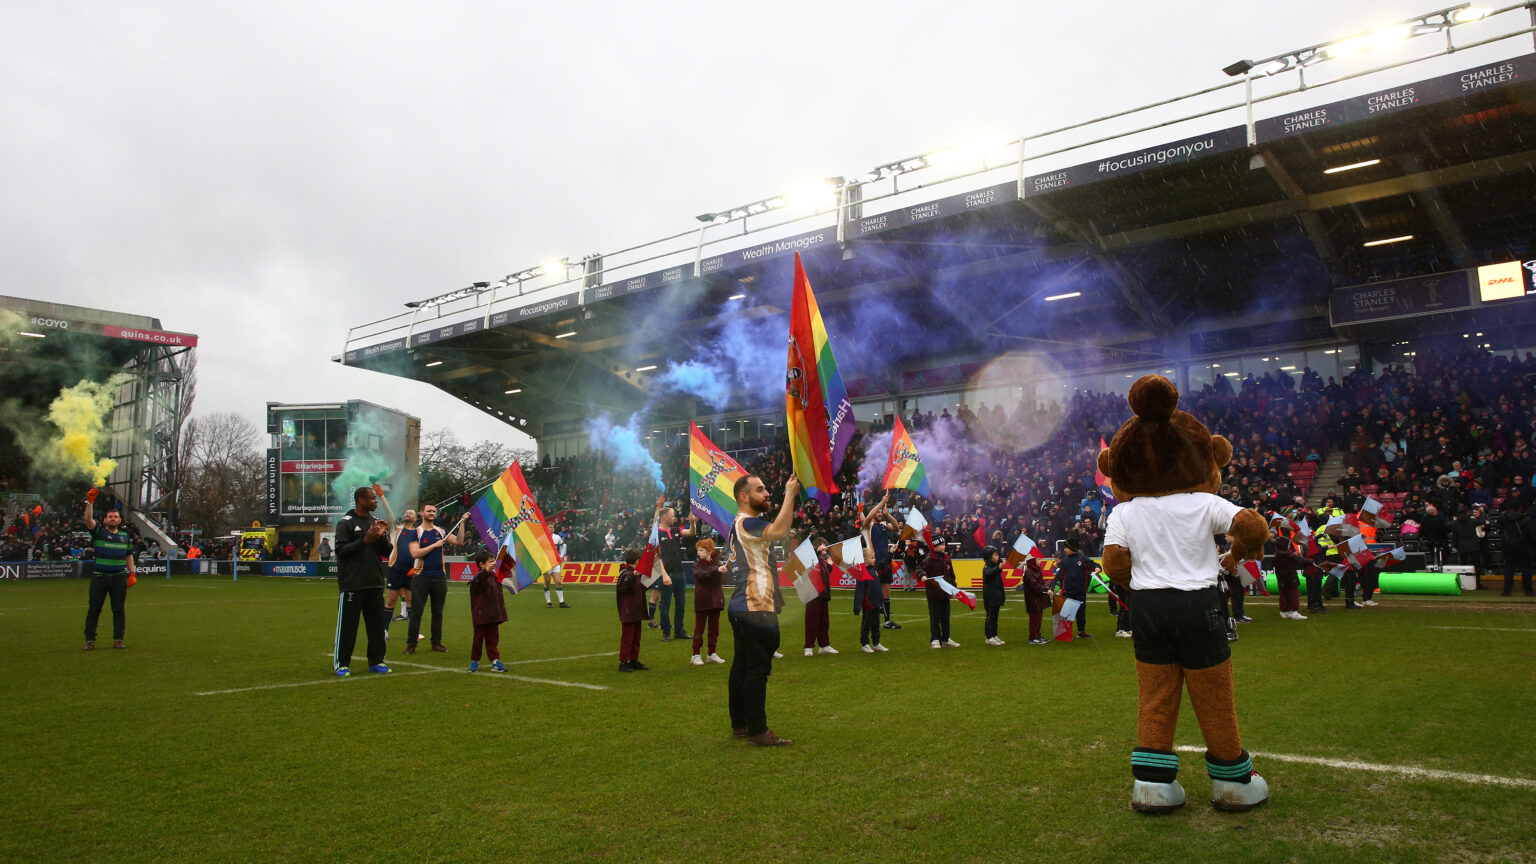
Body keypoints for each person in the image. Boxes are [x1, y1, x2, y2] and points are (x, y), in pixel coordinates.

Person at [726, 473, 799, 746]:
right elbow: (779, 531)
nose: (767, 493)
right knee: (757, 669)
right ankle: (758, 731)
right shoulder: (748, 523)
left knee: (742, 667)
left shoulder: (739, 524)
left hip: (743, 604)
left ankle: (741, 725)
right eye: (760, 490)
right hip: (754, 605)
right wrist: (790, 494)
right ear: (744, 497)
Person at [332, 486, 392, 676]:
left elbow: (387, 552)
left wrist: (382, 537)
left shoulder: (376, 522)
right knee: (348, 627)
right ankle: (342, 664)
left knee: (376, 627)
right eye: (372, 498)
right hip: (353, 583)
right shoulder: (346, 523)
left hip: (374, 582)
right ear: (360, 500)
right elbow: (341, 551)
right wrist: (364, 540)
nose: (375, 501)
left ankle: (377, 662)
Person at [405, 504, 467, 654]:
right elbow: (415, 553)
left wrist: (462, 522)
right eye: (429, 511)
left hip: (439, 577)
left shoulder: (441, 531)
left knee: (438, 612)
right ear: (421, 513)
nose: (432, 513)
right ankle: (411, 645)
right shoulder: (415, 532)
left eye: (434, 511)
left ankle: (436, 643)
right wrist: (434, 545)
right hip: (421, 576)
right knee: (416, 612)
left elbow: (459, 541)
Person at [82, 493, 135, 651]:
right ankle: (89, 640)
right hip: (100, 577)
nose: (113, 519)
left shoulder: (125, 537)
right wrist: (90, 502)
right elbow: (88, 520)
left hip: (119, 578)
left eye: (116, 516)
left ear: (119, 520)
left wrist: (132, 573)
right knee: (94, 610)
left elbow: (129, 556)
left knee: (119, 610)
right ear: (105, 520)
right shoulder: (99, 532)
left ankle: (118, 639)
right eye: (110, 517)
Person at [654, 509, 693, 639]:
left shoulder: (676, 530)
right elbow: (656, 557)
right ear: (664, 517)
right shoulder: (656, 533)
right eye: (672, 516)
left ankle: (679, 631)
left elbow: (691, 532)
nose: (674, 518)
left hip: (680, 572)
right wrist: (664, 575)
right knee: (665, 605)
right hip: (667, 573)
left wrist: (692, 523)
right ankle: (666, 631)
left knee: (681, 604)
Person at [467, 550, 508, 673]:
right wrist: (486, 571)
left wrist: (500, 612)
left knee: (493, 639)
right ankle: (475, 661)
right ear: (481, 565)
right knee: (478, 639)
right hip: (481, 615)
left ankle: (495, 661)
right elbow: (479, 584)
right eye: (490, 562)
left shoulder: (494, 577)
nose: (493, 564)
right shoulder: (478, 578)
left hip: (493, 614)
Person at [690, 538, 727, 665]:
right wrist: (716, 571)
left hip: (715, 601)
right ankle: (695, 654)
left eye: (701, 550)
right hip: (702, 601)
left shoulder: (719, 564)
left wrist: (725, 571)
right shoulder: (696, 565)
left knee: (714, 629)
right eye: (698, 550)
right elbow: (701, 576)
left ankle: (712, 653)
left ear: (710, 551)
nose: (698, 553)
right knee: (699, 629)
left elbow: (724, 581)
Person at [383, 509, 417, 634]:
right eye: (406, 512)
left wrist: (416, 567)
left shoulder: (418, 533)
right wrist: (382, 497)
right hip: (395, 570)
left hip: (411, 572)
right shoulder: (396, 529)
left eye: (411, 513)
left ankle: (413, 632)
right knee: (391, 600)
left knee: (411, 602)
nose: (407, 513)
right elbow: (389, 515)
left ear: (415, 518)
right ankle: (384, 630)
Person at [922, 536, 959, 648]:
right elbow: (920, 568)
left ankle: (946, 638)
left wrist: (954, 588)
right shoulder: (929, 559)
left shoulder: (947, 558)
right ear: (935, 546)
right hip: (934, 594)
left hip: (945, 593)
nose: (944, 546)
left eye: (944, 544)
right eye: (941, 545)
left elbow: (951, 575)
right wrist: (922, 575)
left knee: (945, 617)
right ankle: (935, 639)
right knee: (935, 618)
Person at [616, 547, 649, 671]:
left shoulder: (634, 574)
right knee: (628, 638)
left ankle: (634, 659)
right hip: (628, 610)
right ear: (637, 561)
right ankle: (623, 661)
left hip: (636, 610)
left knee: (636, 637)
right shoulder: (625, 573)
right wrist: (633, 575)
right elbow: (624, 587)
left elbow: (641, 588)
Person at [803, 536, 837, 656]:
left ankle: (824, 645)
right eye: (824, 547)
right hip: (812, 595)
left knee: (824, 622)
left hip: (823, 596)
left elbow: (824, 575)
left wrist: (830, 566)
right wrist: (817, 549)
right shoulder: (812, 559)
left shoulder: (823, 561)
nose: (825, 550)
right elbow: (812, 555)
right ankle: (809, 646)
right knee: (811, 622)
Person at [1055, 536, 1093, 638]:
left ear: (1072, 547)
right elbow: (1059, 575)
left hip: (1080, 590)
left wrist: (1098, 568)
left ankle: (1081, 631)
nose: (1064, 550)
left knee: (1081, 612)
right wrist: (1053, 586)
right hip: (1068, 590)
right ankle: (1064, 633)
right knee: (1067, 612)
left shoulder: (1082, 558)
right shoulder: (1064, 561)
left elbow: (1092, 564)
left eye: (1066, 547)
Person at [852, 545, 888, 653]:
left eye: (874, 557)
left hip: (876, 601)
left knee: (876, 623)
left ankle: (876, 642)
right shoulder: (862, 572)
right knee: (866, 623)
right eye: (872, 558)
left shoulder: (874, 569)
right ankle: (865, 643)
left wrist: (890, 553)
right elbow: (859, 591)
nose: (874, 559)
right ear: (864, 559)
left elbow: (883, 564)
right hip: (868, 603)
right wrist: (857, 607)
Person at [1498, 505, 1534, 596]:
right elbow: (1531, 534)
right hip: (1523, 547)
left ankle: (1507, 591)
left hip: (1508, 547)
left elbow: (1500, 531)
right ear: (1519, 508)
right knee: (1525, 569)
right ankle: (1528, 590)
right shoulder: (1525, 519)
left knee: (1509, 569)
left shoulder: (1502, 519)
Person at [1020, 557, 1051, 644]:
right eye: (1038, 560)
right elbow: (1035, 586)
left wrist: (1045, 588)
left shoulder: (1035, 571)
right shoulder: (1029, 573)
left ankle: (1037, 635)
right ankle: (1033, 637)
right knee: (1035, 619)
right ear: (1033, 561)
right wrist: (1045, 589)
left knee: (1038, 619)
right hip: (1033, 600)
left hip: (1038, 600)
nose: (1040, 561)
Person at [981, 546, 1006, 646]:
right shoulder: (987, 567)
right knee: (990, 617)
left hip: (996, 596)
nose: (997, 557)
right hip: (990, 597)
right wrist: (998, 567)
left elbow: (997, 567)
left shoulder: (995, 566)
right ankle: (989, 636)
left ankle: (994, 635)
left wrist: (999, 562)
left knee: (995, 617)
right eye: (995, 555)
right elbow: (989, 573)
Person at [543, 530, 570, 608]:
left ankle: (561, 602)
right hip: (546, 563)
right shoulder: (543, 537)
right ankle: (548, 602)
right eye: (550, 527)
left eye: (552, 527)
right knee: (547, 582)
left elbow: (563, 545)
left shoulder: (557, 537)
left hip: (555, 563)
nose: (551, 529)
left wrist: (561, 556)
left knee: (558, 582)